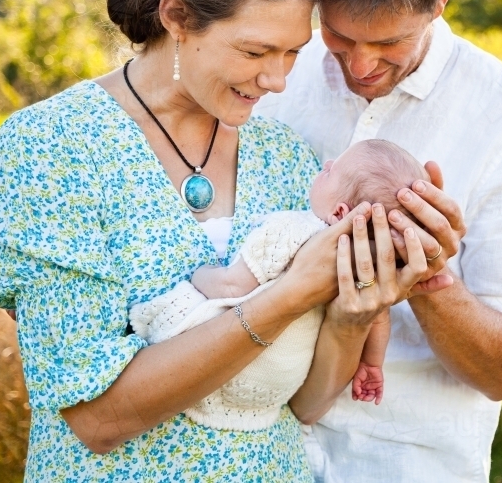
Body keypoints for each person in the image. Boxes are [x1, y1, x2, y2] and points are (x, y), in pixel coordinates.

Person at [0, 0, 446, 482]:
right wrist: (290, 294)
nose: (276, 81)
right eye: (254, 52)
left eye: (292, 55)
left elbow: (301, 406)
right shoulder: (52, 147)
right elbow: (97, 419)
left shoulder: (283, 155)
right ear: (175, 15)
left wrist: (355, 317)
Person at [255, 0, 502, 482]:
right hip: (257, 456)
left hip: (406, 463)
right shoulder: (272, 83)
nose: (361, 65)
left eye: (389, 42)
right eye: (340, 37)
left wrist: (431, 278)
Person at [130, 139, 430, 421]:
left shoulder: (293, 229)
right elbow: (378, 318)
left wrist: (200, 274)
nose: (324, 165)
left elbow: (233, 285)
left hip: (236, 360)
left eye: (330, 171)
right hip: (283, 379)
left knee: (175, 311)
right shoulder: (369, 268)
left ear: (340, 212)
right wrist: (371, 364)